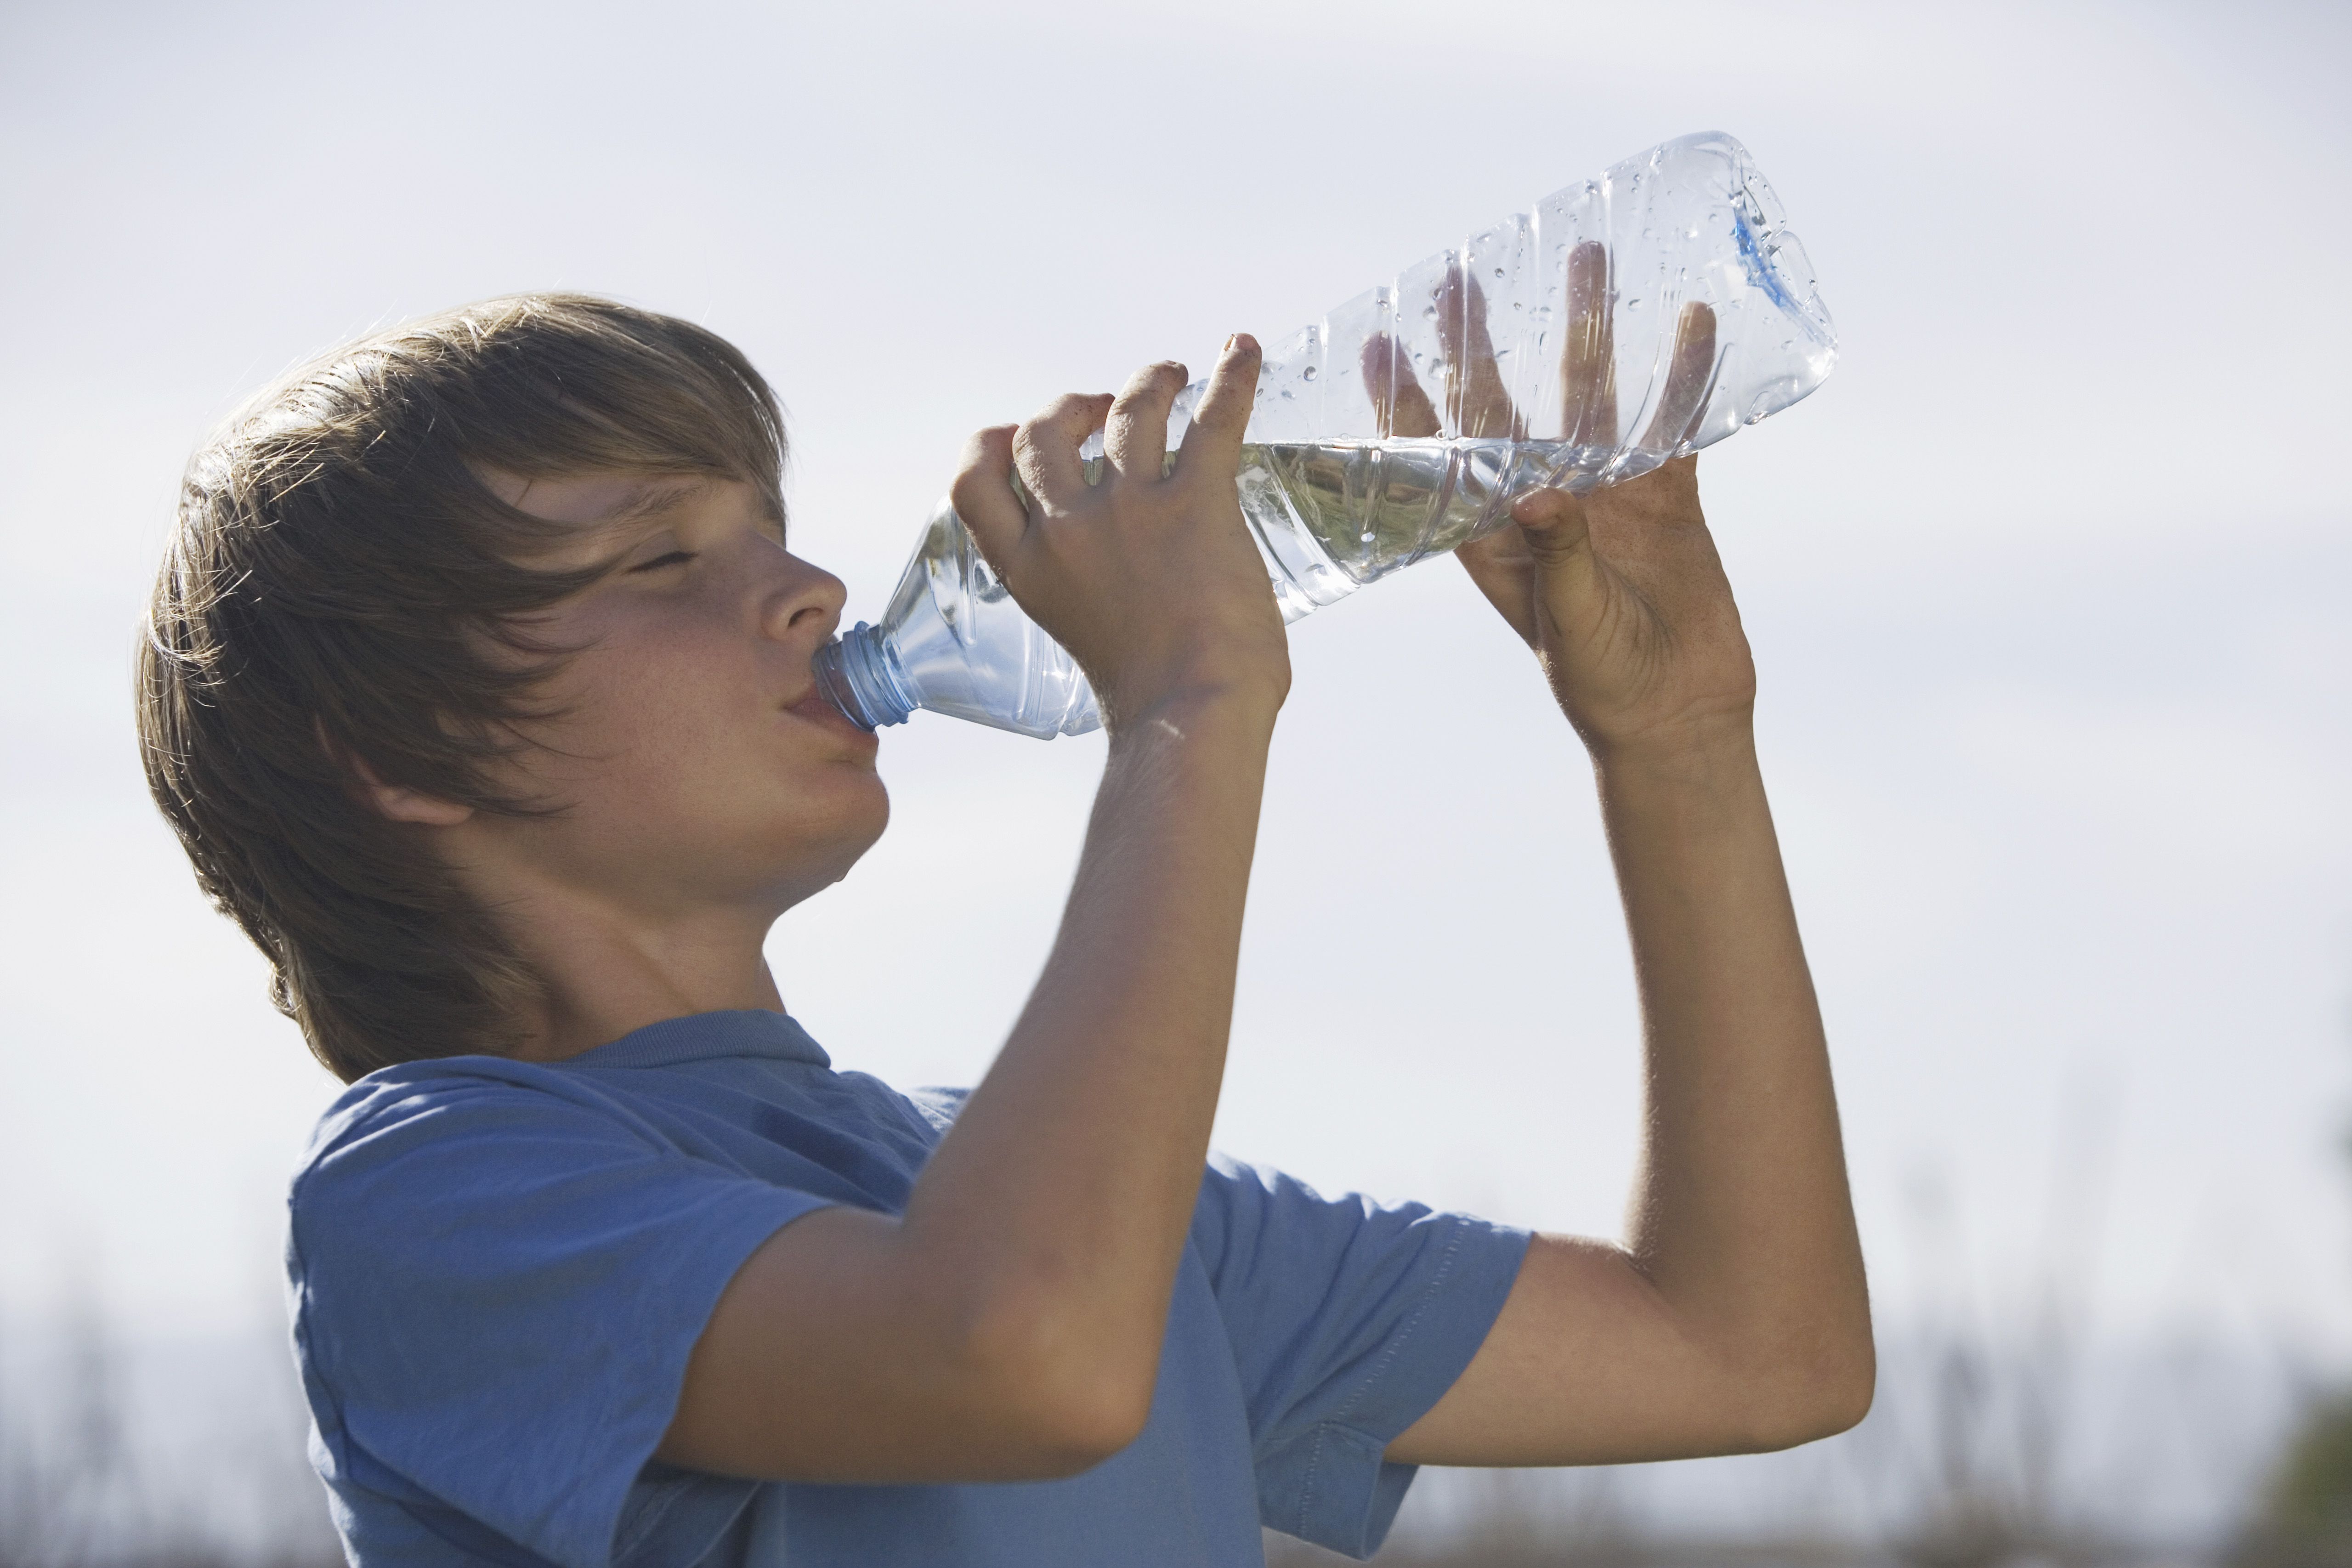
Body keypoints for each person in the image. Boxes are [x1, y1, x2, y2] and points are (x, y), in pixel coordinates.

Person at [136, 283, 1871, 1568]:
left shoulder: (1032, 1190)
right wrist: (1188, 699)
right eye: (660, 560)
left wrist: (1677, 743)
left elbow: (1754, 1355)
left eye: (773, 530)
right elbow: (1020, 1353)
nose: (807, 593)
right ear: (399, 756)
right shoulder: (435, 1193)